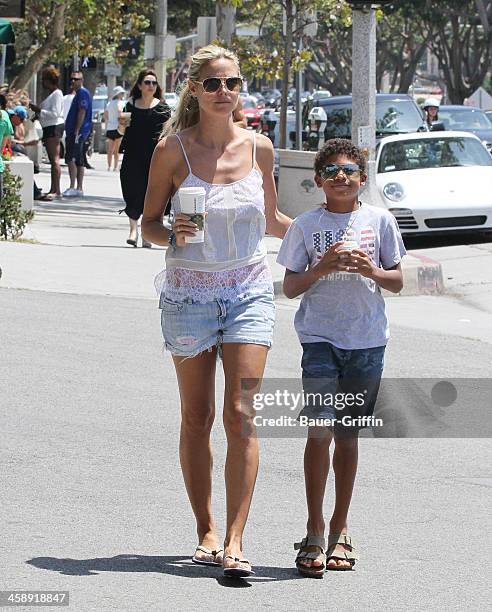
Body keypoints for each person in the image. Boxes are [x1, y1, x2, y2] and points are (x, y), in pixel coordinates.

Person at [141, 44, 291, 577]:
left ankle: (235, 538)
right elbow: (148, 224)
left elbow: (272, 220)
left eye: (231, 83)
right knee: (197, 417)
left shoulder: (261, 149)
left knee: (242, 415)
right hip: (188, 295)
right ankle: (204, 527)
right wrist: (169, 232)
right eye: (212, 84)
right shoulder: (171, 152)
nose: (223, 92)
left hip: (249, 290)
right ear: (194, 90)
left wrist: (333, 233)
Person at [276, 139, 406, 577]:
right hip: (319, 339)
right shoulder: (306, 226)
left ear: (362, 179)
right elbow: (291, 287)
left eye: (349, 170)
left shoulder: (380, 221)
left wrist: (370, 270)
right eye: (331, 172)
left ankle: (340, 527)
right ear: (318, 181)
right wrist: (324, 266)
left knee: (347, 437)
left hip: (367, 341)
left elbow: (398, 281)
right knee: (319, 433)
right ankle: (313, 528)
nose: (341, 178)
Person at [119, 69, 170, 247]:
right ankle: (133, 230)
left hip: (154, 158)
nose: (150, 86)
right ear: (139, 85)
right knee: (131, 191)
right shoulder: (130, 106)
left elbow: (168, 133)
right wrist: (121, 125)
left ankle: (146, 232)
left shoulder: (163, 108)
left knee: (151, 194)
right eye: (147, 82)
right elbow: (121, 132)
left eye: (153, 83)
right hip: (132, 156)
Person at [29, 66, 64, 200]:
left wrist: (39, 110)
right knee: (52, 159)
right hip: (49, 127)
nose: (43, 83)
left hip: (54, 127)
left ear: (49, 80)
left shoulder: (57, 94)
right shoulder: (52, 95)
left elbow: (55, 113)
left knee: (55, 159)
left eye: (44, 80)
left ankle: (57, 190)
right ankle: (53, 188)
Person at [63, 71, 92, 197]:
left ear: (82, 80)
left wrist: (76, 130)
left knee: (71, 158)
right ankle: (78, 187)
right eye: (72, 79)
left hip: (77, 133)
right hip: (77, 132)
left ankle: (73, 186)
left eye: (76, 79)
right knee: (79, 159)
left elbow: (82, 111)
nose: (73, 81)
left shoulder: (82, 93)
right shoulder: (79, 94)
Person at [103, 85, 125, 171]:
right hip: (118, 128)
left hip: (110, 127)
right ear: (118, 94)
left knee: (110, 149)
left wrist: (110, 120)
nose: (123, 95)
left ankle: (109, 166)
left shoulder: (109, 103)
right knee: (117, 149)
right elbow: (120, 112)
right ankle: (115, 167)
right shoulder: (121, 103)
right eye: (122, 93)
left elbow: (105, 115)